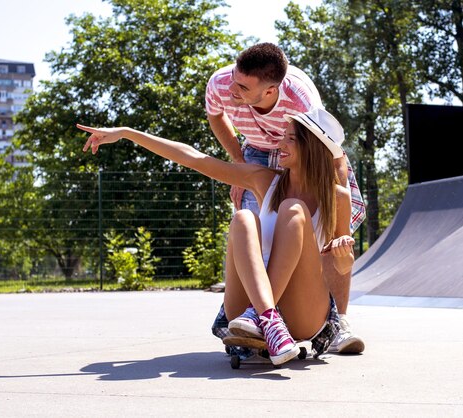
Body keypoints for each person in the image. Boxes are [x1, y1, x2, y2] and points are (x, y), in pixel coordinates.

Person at [77, 107, 353, 366]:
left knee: (293, 209)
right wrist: (127, 132)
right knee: (244, 217)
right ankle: (266, 317)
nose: (280, 144)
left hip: (301, 313)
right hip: (247, 305)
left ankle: (264, 319)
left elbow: (342, 267)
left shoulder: (338, 197)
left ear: (311, 148)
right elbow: (194, 158)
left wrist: (342, 254)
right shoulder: (264, 179)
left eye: (290, 139)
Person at [205, 42, 365, 354]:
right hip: (254, 150)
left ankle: (337, 322)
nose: (232, 89)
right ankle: (261, 314)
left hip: (304, 148)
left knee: (325, 234)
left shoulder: (301, 99)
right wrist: (239, 162)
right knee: (253, 226)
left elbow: (325, 152)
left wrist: (336, 204)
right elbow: (214, 121)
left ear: (271, 90)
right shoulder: (220, 84)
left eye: (242, 87)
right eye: (233, 80)